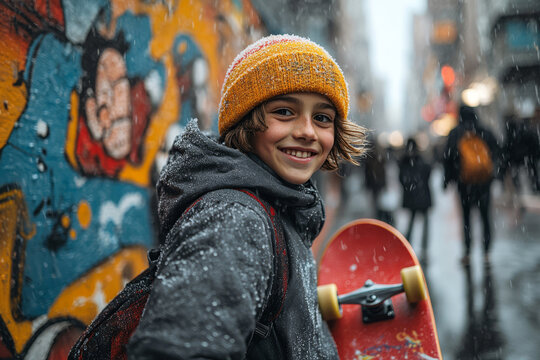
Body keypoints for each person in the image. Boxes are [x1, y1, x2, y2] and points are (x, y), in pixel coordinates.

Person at [128, 34, 367, 359]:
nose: (308, 131)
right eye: (284, 112)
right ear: (247, 120)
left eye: (322, 117)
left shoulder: (279, 204)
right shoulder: (236, 218)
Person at [443, 105, 499, 264]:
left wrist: (448, 180)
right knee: (485, 216)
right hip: (483, 182)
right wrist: (494, 174)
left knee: (466, 218)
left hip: (464, 183)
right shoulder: (485, 132)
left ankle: (467, 252)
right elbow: (497, 152)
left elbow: (448, 158)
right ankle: (486, 252)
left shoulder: (455, 133)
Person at [398, 138, 432, 261]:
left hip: (414, 198)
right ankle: (421, 249)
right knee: (421, 224)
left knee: (412, 223)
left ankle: (407, 248)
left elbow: (402, 180)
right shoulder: (420, 160)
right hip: (422, 198)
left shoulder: (404, 162)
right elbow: (427, 174)